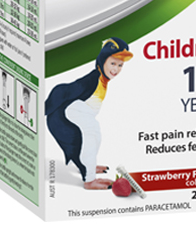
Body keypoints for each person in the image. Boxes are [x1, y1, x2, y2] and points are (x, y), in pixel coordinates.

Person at [45, 37, 133, 190]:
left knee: (94, 135)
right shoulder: (93, 79)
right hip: (62, 117)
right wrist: (41, 110)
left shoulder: (103, 81)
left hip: (76, 116)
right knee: (90, 135)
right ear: (102, 60)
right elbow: (62, 90)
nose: (116, 69)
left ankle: (87, 166)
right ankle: (89, 179)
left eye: (120, 65)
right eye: (113, 63)